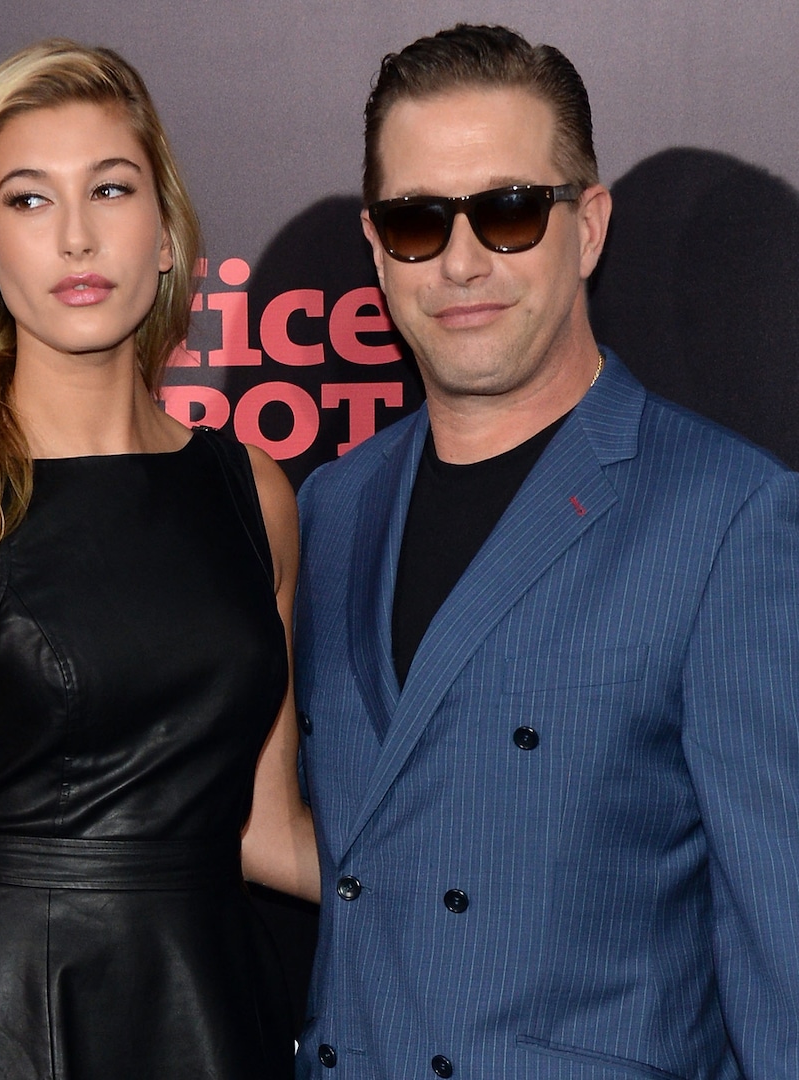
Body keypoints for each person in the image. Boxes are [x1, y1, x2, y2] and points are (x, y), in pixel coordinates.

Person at [293, 24, 799, 1079]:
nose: (463, 262)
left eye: (512, 211)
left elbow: (782, 951)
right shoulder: (333, 508)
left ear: (589, 227)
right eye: (419, 221)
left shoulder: (728, 518)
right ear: (378, 248)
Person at [0, 39, 317, 1080]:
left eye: (110, 188)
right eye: (29, 200)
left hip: (213, 1010)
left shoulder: (255, 495)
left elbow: (265, 828)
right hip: (8, 1022)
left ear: (164, 234)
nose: (77, 236)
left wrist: (486, 884)